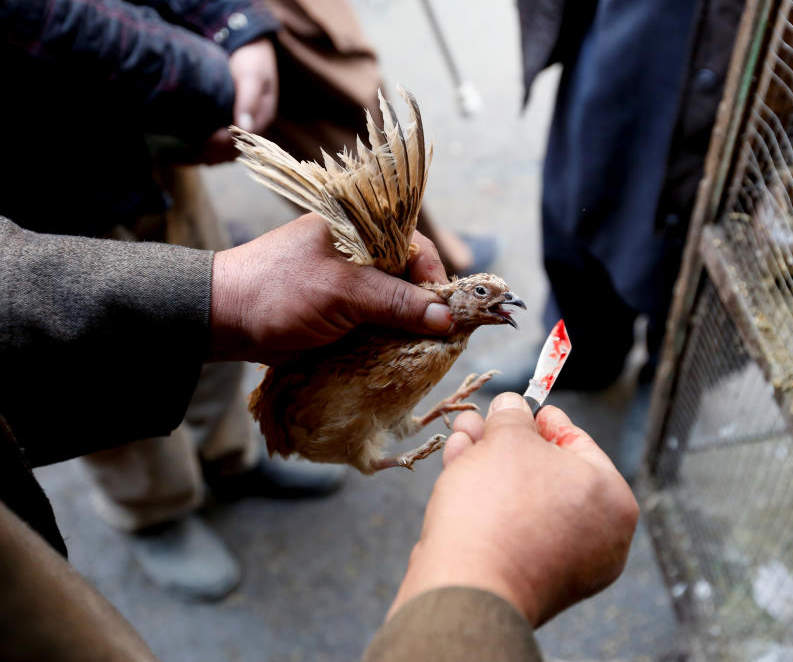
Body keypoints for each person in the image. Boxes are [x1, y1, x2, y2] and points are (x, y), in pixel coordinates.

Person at [0, 0, 495, 600]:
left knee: (204, 332)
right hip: (34, 188)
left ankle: (229, 455)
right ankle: (157, 509)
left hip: (151, 149)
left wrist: (234, 21)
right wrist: (202, 79)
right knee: (92, 344)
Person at [0, 214, 638, 660]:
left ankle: (232, 463)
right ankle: (157, 512)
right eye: (485, 294)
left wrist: (214, 294)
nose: (501, 302)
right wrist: (492, 570)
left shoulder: (441, 338)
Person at [507, 0, 745, 475]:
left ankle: (666, 388)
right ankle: (584, 353)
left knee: (704, 240)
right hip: (635, 26)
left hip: (752, 51)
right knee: (588, 180)